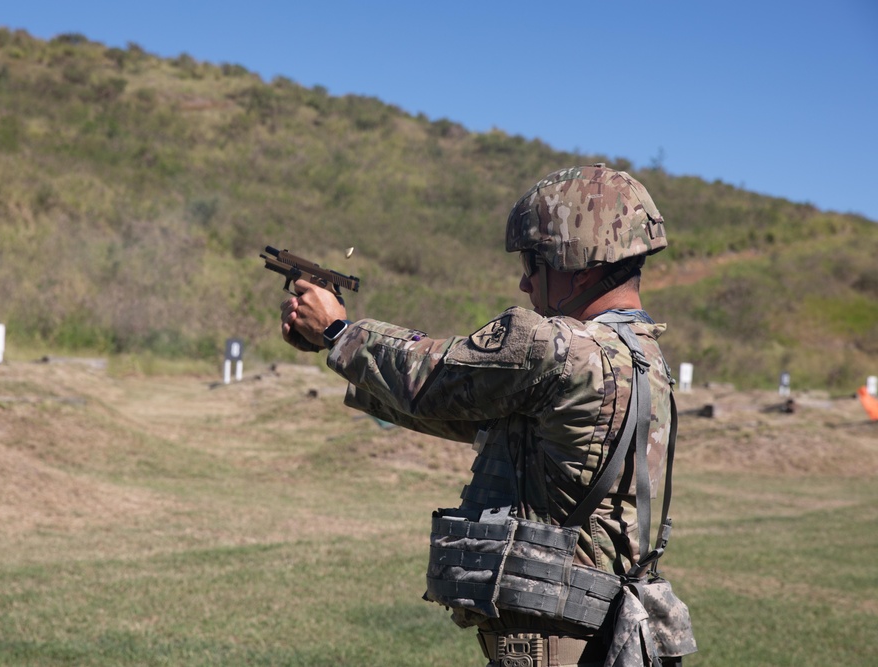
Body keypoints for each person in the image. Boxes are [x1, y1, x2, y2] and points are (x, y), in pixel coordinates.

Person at [280, 164, 694, 666]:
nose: (524, 283)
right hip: (595, 630)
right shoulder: (642, 359)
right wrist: (344, 354)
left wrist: (338, 332)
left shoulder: (560, 347)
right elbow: (469, 413)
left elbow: (433, 379)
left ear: (579, 263)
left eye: (534, 262)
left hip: (553, 643)